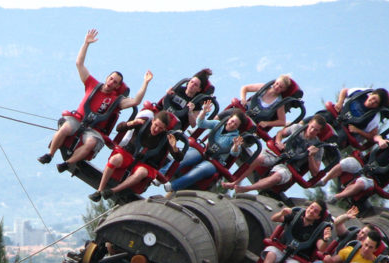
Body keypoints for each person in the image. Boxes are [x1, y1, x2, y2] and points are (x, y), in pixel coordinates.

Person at [37, 29, 153, 172]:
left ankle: (67, 163)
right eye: (111, 79)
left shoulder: (116, 100)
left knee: (91, 143)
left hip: (94, 129)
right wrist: (86, 44)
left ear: (117, 86)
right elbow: (79, 63)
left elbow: (135, 101)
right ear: (107, 78)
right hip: (78, 119)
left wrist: (145, 83)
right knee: (65, 128)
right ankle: (49, 155)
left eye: (115, 82)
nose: (111, 83)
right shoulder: (92, 84)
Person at [90, 110, 182, 202]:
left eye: (161, 128)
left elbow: (178, 158)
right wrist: (131, 123)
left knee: (141, 173)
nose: (157, 129)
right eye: (156, 125)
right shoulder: (143, 123)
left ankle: (113, 191)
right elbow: (119, 128)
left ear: (165, 129)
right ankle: (99, 190)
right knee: (114, 159)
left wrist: (174, 147)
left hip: (146, 164)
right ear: (153, 121)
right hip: (129, 154)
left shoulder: (167, 138)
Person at [222, 115, 327, 194]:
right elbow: (280, 133)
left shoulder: (318, 147)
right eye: (312, 127)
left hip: (289, 166)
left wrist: (311, 156)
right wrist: (278, 142)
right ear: (309, 124)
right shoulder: (297, 128)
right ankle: (235, 182)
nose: (312, 130)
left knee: (277, 177)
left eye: (316, 130)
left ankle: (247, 188)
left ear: (319, 132)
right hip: (278, 154)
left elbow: (315, 172)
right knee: (258, 158)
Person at [163, 105, 245, 195]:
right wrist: (203, 112)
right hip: (203, 152)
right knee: (185, 157)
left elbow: (234, 153)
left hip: (214, 162)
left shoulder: (235, 138)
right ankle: (161, 175)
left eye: (235, 124)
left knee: (200, 169)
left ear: (238, 127)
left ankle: (172, 186)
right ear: (229, 119)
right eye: (232, 121)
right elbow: (201, 123)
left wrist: (236, 146)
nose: (232, 124)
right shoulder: (218, 124)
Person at [325, 134, 389, 203]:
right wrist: (380, 140)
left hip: (373, 180)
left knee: (361, 183)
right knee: (346, 162)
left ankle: (336, 197)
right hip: (365, 166)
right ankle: (324, 180)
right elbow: (376, 137)